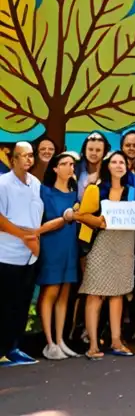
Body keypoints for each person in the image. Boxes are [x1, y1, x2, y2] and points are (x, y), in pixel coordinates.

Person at [76, 150, 135, 360]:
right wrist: (99, 222)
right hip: (100, 244)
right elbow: (81, 215)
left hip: (124, 244)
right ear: (107, 165)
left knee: (118, 293)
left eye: (122, 162)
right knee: (95, 293)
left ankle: (116, 340)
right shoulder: (95, 189)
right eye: (114, 162)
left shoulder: (132, 191)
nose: (119, 165)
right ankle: (93, 344)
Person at [0, 142, 45, 367]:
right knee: (5, 305)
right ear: (13, 160)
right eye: (22, 156)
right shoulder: (2, 184)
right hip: (6, 255)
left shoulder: (35, 183)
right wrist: (23, 236)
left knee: (21, 305)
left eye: (30, 156)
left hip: (29, 256)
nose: (28, 160)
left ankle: (14, 348)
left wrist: (33, 241)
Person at [37, 151, 80, 360]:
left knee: (64, 293)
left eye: (72, 164)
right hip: (51, 246)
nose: (69, 167)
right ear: (55, 168)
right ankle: (49, 342)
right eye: (64, 164)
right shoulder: (44, 192)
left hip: (70, 247)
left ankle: (60, 339)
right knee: (50, 291)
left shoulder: (76, 195)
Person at [76, 132, 110, 202]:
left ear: (104, 152)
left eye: (98, 150)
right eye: (90, 149)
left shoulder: (109, 172)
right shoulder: (76, 170)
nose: (94, 153)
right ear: (84, 150)